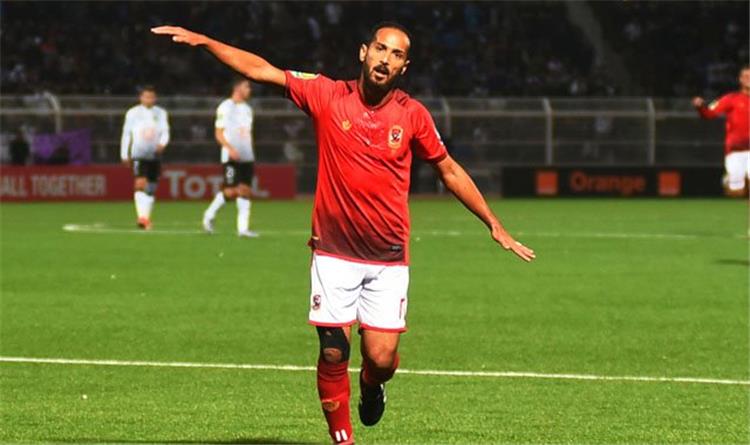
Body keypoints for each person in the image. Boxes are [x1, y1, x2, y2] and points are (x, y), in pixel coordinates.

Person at [153, 22, 535, 444]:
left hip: (388, 256)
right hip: (333, 250)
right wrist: (207, 41)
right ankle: (343, 440)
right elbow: (262, 70)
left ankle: (372, 385)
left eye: (396, 55)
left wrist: (493, 224)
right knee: (334, 350)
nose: (385, 60)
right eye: (380, 49)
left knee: (382, 360)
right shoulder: (327, 95)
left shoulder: (413, 115)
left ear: (404, 67)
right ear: (363, 52)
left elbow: (449, 170)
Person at [202, 77, 259, 237]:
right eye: (246, 87)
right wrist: (230, 148)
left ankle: (243, 229)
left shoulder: (248, 109)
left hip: (247, 156)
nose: (249, 90)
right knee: (231, 191)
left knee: (245, 191)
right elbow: (218, 133)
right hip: (230, 156)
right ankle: (209, 215)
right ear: (237, 88)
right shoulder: (225, 107)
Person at [693, 65, 750, 197]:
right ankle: (729, 181)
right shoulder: (731, 99)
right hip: (735, 150)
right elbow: (709, 114)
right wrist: (700, 107)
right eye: (746, 76)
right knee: (736, 191)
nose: (749, 79)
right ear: (740, 79)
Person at [120, 85, 170, 229]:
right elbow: (126, 134)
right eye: (146, 96)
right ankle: (142, 217)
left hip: (155, 154)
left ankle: (145, 217)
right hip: (138, 153)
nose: (149, 99)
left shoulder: (161, 113)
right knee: (140, 183)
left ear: (155, 98)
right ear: (141, 98)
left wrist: (162, 144)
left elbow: (165, 131)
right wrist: (124, 154)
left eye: (151, 97)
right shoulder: (133, 113)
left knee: (151, 188)